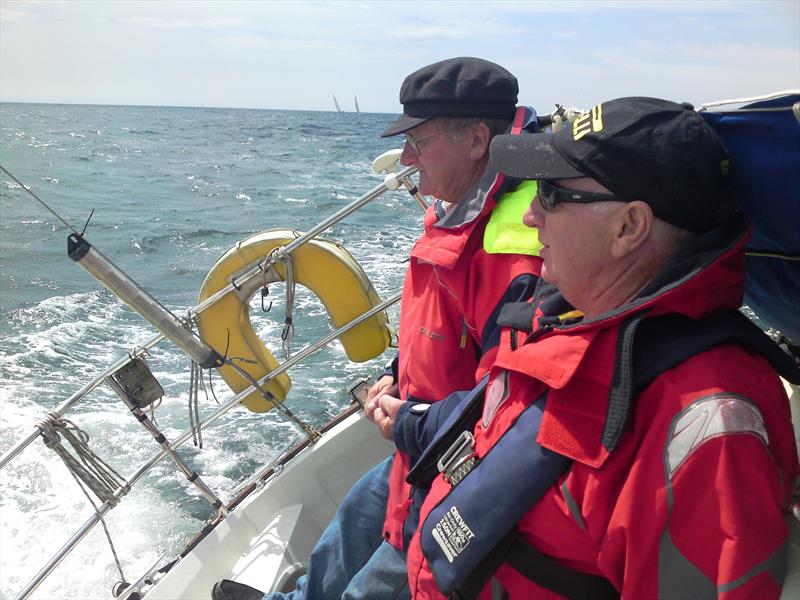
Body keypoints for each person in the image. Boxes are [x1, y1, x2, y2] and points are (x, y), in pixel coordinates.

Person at [384, 97, 800, 599]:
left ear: (629, 227)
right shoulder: (565, 318)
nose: (532, 215)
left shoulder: (708, 424)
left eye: (553, 197)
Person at [212, 57, 543, 600]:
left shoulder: (517, 247)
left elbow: (512, 404)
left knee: (379, 579)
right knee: (355, 518)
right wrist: (397, 373)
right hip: (422, 436)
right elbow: (448, 328)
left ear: (478, 139)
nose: (407, 160)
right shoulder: (461, 207)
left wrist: (414, 421)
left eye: (418, 141)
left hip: (461, 465)